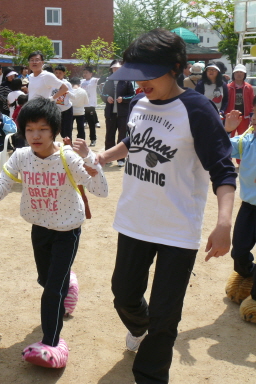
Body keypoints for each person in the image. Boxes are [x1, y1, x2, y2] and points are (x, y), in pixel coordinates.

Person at [96, 29, 236, 384]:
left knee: (165, 316)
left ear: (175, 67)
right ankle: (141, 329)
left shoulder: (197, 110)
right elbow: (133, 139)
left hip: (177, 228)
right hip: (134, 220)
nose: (140, 84)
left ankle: (151, 374)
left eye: (147, 75)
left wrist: (223, 224)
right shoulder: (138, 103)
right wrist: (104, 155)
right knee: (123, 296)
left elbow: (222, 170)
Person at [0, 97, 108, 368]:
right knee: (46, 280)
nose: (35, 135)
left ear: (54, 129)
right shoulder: (21, 157)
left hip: (67, 229)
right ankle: (70, 285)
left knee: (52, 290)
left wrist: (93, 164)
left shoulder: (67, 157)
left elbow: (101, 191)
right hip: (39, 228)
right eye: (30, 129)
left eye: (42, 129)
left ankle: (51, 343)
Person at [225, 111, 256, 313]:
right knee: (239, 250)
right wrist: (227, 129)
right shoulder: (247, 139)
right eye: (254, 113)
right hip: (250, 206)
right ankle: (248, 273)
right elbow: (220, 147)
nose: (254, 118)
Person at [100, 60, 135, 167]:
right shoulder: (108, 81)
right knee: (109, 135)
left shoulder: (127, 81)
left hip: (123, 113)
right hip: (110, 113)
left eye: (118, 68)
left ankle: (121, 158)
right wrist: (107, 97)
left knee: (122, 135)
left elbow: (132, 95)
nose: (116, 70)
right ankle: (108, 157)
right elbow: (102, 94)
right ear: (111, 69)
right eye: (114, 68)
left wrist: (123, 99)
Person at [225, 64, 254, 140]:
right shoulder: (228, 87)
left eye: (241, 72)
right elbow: (225, 102)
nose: (239, 74)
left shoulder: (248, 87)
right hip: (231, 116)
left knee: (242, 137)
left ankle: (241, 151)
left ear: (244, 74)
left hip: (244, 117)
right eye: (237, 72)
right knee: (229, 136)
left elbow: (252, 102)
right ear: (233, 74)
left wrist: (252, 115)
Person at [53, 64, 74, 141]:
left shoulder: (67, 84)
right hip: (55, 110)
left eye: (60, 73)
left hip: (66, 110)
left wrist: (67, 92)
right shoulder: (52, 83)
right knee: (53, 130)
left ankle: (68, 148)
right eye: (56, 73)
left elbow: (73, 96)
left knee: (67, 132)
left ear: (64, 73)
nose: (58, 75)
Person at [80, 66, 100, 146]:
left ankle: (93, 139)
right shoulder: (81, 81)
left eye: (87, 73)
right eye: (84, 72)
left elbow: (102, 80)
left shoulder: (94, 80)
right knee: (81, 124)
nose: (85, 74)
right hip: (81, 105)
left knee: (91, 124)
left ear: (91, 74)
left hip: (90, 105)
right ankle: (81, 140)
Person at [70, 77, 89, 142]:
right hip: (80, 112)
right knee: (81, 128)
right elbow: (86, 102)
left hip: (71, 112)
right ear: (79, 84)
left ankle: (68, 142)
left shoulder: (69, 91)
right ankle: (81, 141)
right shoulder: (83, 91)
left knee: (69, 128)